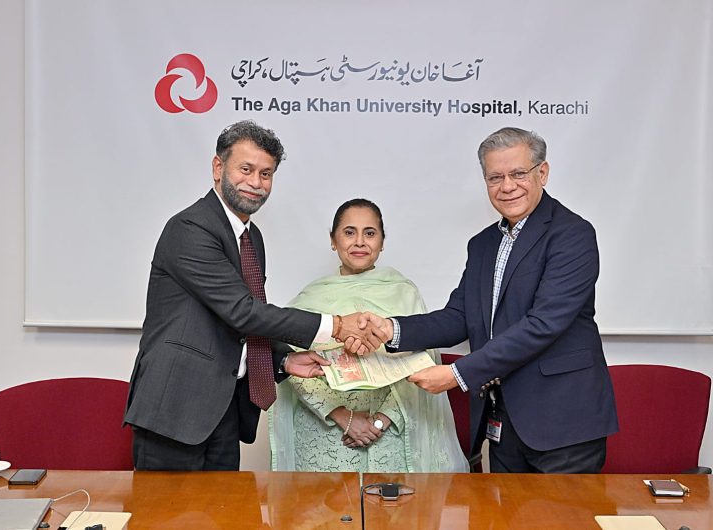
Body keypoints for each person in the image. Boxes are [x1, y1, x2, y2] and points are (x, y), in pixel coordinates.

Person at [124, 121, 382, 471]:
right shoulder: (190, 228)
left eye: (266, 174)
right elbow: (242, 311)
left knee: (224, 506)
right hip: (175, 410)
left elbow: (241, 321)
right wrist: (336, 326)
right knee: (165, 508)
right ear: (218, 168)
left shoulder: (251, 237)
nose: (256, 183)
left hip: (224, 410)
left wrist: (283, 360)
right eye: (245, 169)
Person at [359, 127, 618, 473]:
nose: (507, 186)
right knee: (503, 509)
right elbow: (459, 317)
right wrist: (390, 330)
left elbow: (543, 325)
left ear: (542, 173)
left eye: (518, 173)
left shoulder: (572, 234)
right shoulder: (483, 244)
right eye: (496, 177)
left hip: (563, 421)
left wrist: (457, 374)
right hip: (503, 421)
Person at [269, 199, 469, 472]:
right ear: (333, 240)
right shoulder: (310, 298)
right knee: (326, 501)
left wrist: (380, 421)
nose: (360, 242)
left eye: (370, 233)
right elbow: (292, 365)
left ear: (382, 241)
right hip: (327, 433)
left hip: (392, 434)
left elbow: (422, 362)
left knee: (393, 500)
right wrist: (343, 416)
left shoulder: (404, 293)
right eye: (349, 232)